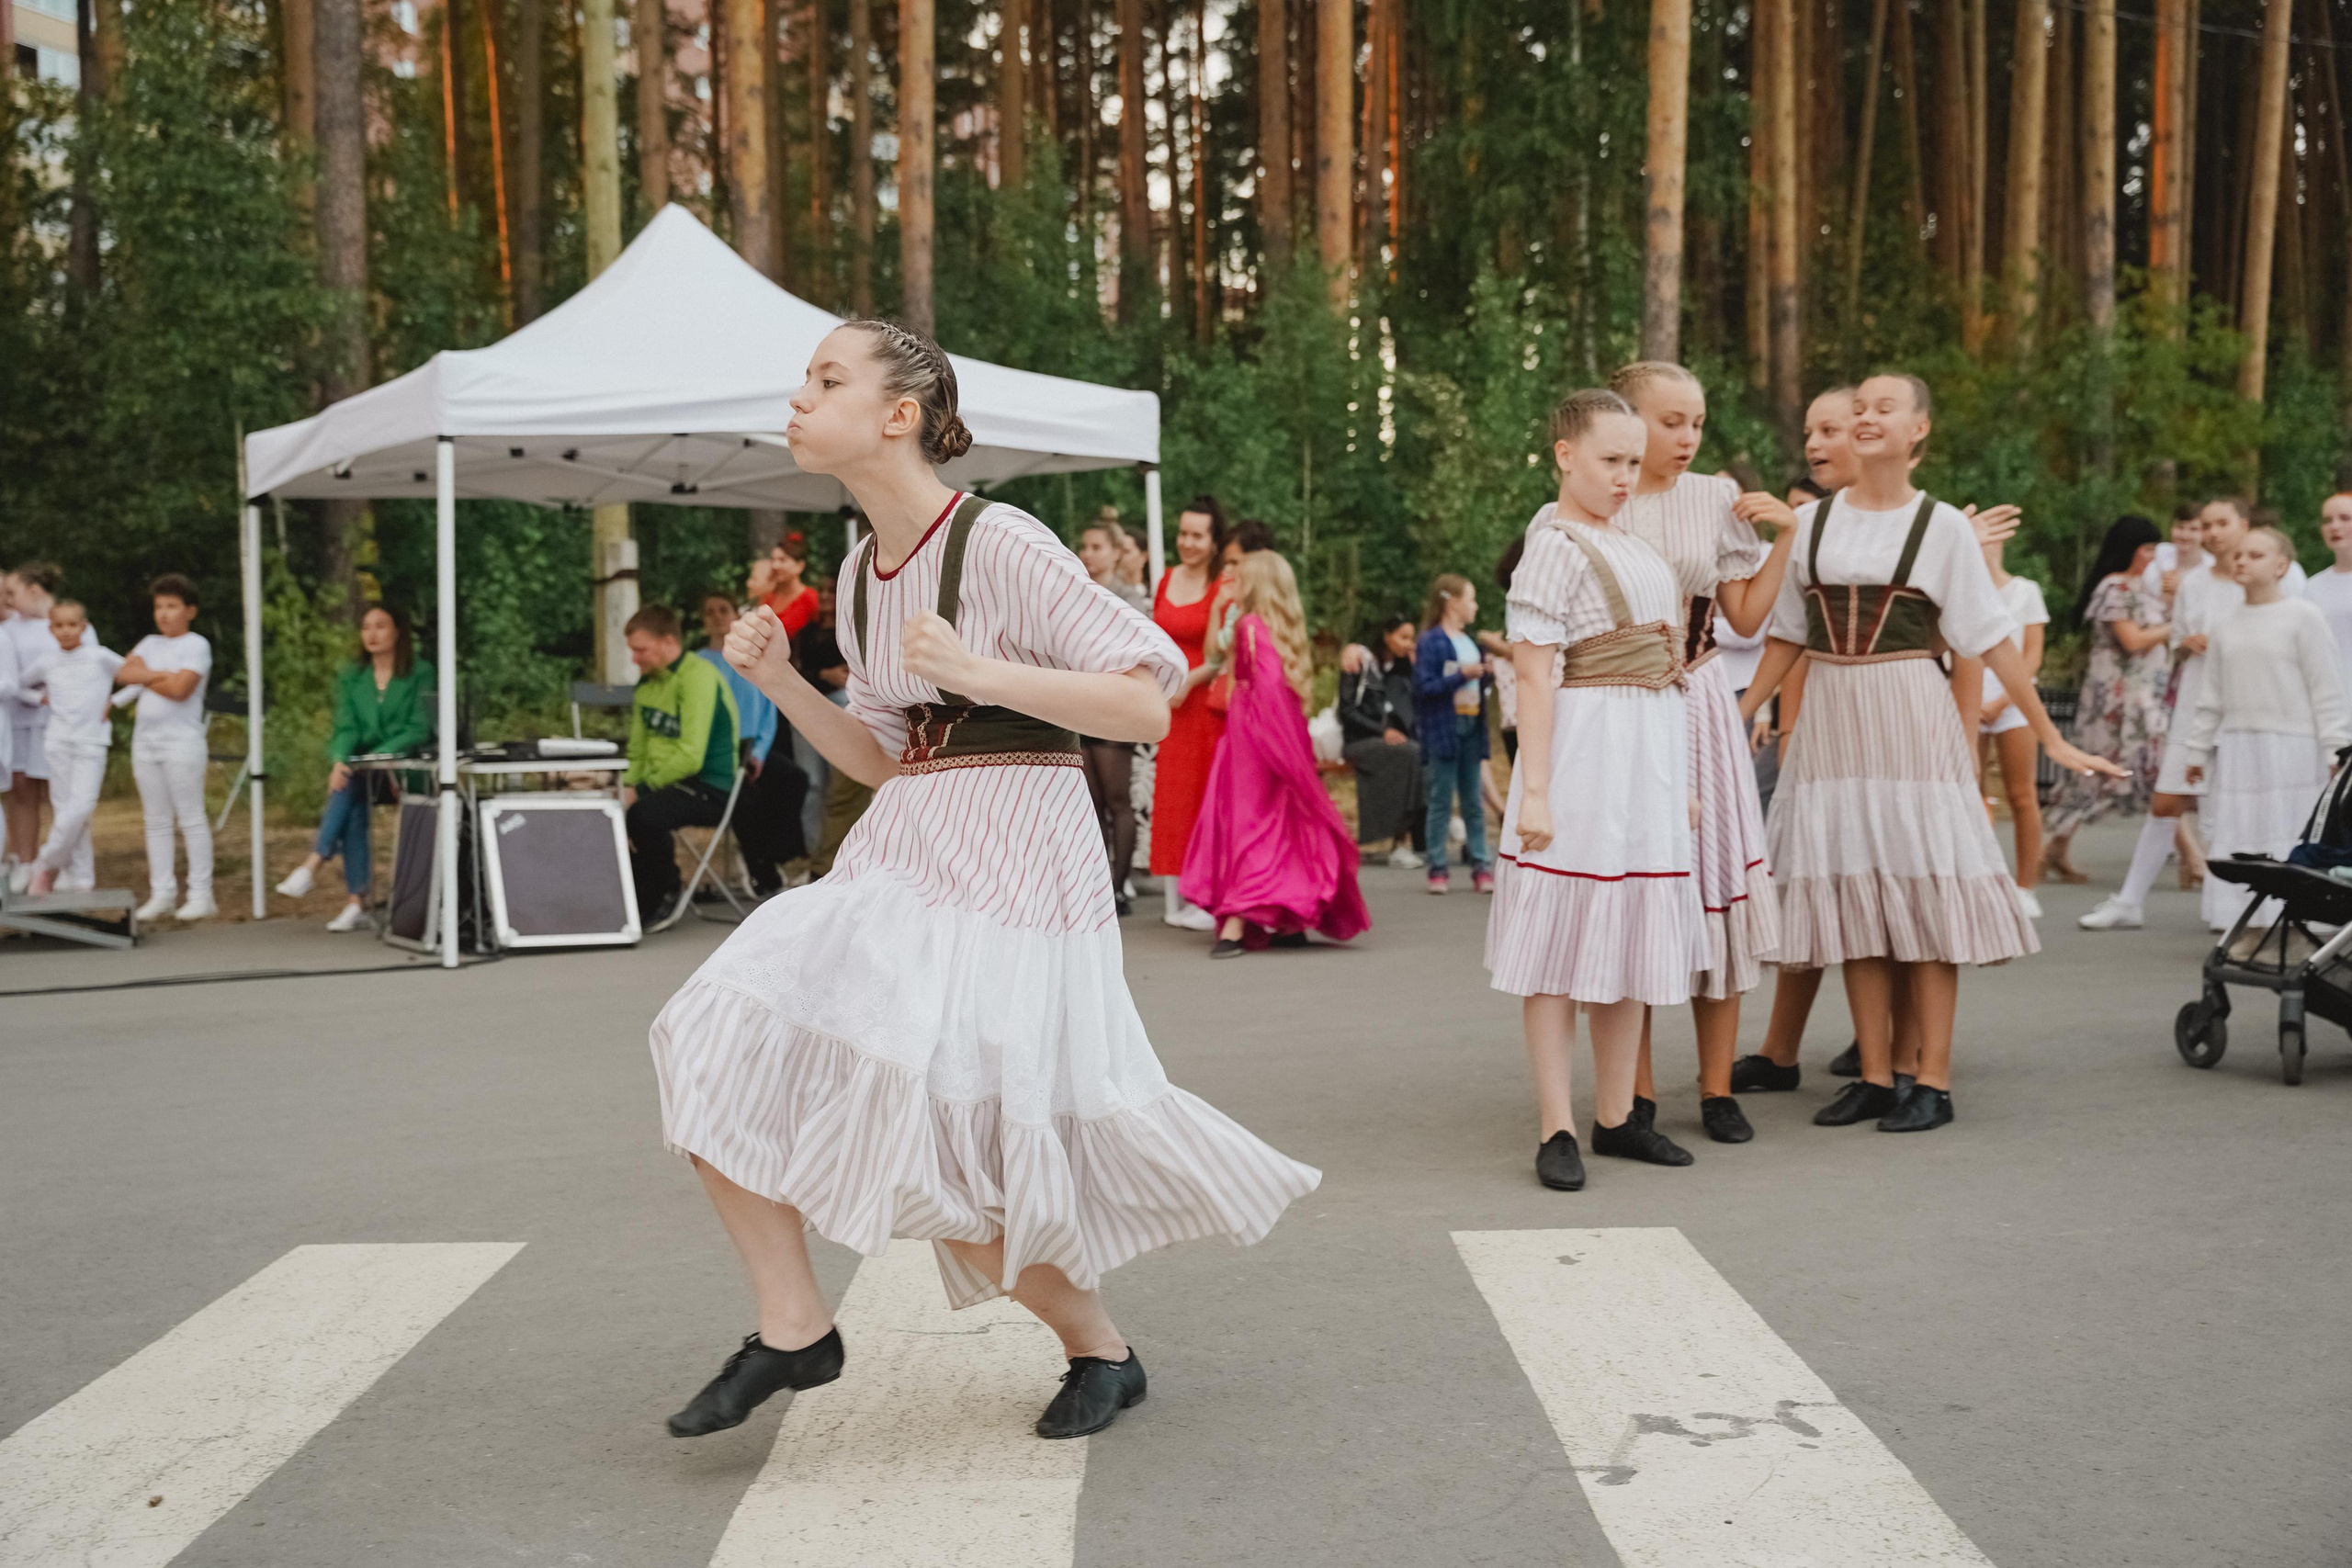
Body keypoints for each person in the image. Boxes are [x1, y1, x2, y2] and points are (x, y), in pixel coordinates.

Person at [650, 318, 1317, 1444]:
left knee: (957, 1150)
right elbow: (875, 755)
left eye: (826, 380)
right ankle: (795, 1324)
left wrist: (983, 668)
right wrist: (777, 685)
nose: (799, 399)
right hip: (913, 843)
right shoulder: (862, 575)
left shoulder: (1000, 540)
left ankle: (1100, 1349)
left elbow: (1145, 701)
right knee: (713, 1029)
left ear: (898, 415)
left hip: (1021, 856)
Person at [1736, 374, 2119, 1134]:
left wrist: (2049, 735)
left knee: (1921, 888)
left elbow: (1989, 639)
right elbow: (1786, 633)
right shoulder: (1811, 525)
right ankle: (1877, 1075)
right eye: (1862, 408)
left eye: (1886, 408)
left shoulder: (1941, 526)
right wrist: (1736, 710)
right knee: (1856, 891)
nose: (1867, 416)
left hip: (1911, 713)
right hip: (1835, 723)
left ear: (1919, 432)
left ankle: (1932, 1080)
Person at [1487, 388, 1709, 1190]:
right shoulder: (1552, 545)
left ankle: (1617, 1116)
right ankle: (1557, 1124)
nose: (1625, 476)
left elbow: (1667, 672)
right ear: (1565, 455)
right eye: (1610, 460)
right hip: (1584, 754)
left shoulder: (1636, 545)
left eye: (1631, 462)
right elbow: (1535, 676)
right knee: (1559, 950)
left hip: (1642, 761)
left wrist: (1678, 782)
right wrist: (1535, 790)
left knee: (1625, 942)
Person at [1611, 362, 1797, 1146]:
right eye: (1670, 421)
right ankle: (1638, 1091)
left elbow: (1748, 615)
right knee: (1645, 897)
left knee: (1714, 889)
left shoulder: (1715, 497)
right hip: (1622, 709)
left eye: (1696, 421)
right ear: (1626, 422)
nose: (1687, 437)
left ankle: (1718, 1088)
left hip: (1697, 703)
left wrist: (1787, 536)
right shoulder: (1596, 500)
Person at [2080, 496, 2303, 931]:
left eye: (2221, 523)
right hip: (2196, 706)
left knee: (2229, 808)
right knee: (2166, 801)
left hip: (2248, 708)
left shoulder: (2276, 577)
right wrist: (2186, 645)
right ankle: (2130, 900)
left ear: (2242, 524)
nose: (2212, 533)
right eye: (2205, 525)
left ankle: (2237, 907)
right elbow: (2176, 646)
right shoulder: (2193, 584)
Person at [1181, 550, 1370, 957]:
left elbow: (1261, 688)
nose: (1233, 580)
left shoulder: (1250, 625)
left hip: (1253, 741)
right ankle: (1286, 916)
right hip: (1278, 736)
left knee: (1250, 825)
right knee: (1280, 823)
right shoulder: (1277, 630)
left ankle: (1236, 923)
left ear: (1256, 584)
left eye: (1241, 576)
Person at [2180, 525, 2352, 930]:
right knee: (2240, 826)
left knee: (2286, 825)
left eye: (2255, 555)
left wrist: (2336, 748)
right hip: (2240, 745)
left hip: (2292, 745)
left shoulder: (2303, 617)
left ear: (2281, 566)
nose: (2242, 561)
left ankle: (2294, 918)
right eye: (2239, 554)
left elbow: (2325, 686)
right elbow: (2212, 696)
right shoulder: (2225, 623)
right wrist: (2196, 750)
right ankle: (2242, 919)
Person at [271, 605, 435, 929]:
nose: (371, 634)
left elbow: (419, 727)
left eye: (380, 626)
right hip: (364, 772)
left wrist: (378, 755)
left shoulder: (421, 671)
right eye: (366, 627)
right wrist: (339, 761)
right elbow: (345, 728)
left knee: (354, 786)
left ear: (397, 632)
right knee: (350, 791)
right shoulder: (350, 675)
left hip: (404, 766)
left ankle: (314, 865)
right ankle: (354, 901)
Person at [2043, 518, 2172, 883]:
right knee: (2099, 770)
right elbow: (2131, 640)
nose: (2150, 557)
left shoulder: (2141, 588)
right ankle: (2049, 846)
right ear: (2130, 549)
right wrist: (2177, 626)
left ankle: (2055, 847)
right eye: (2146, 549)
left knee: (2149, 771)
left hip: (2141, 696)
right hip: (2114, 698)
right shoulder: (2114, 587)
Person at [620, 604, 741, 927]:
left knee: (644, 816)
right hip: (667, 784)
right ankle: (635, 894)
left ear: (668, 642)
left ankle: (664, 890)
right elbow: (638, 750)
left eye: (641, 650)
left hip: (710, 787)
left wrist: (640, 791)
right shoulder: (647, 684)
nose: (635, 659)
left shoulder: (698, 677)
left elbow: (691, 756)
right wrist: (626, 788)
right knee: (611, 814)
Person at [1150, 495, 1230, 930]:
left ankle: (1209, 895)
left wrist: (1189, 680)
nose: (1188, 542)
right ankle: (1180, 890)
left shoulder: (1222, 585)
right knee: (1175, 794)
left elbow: (1225, 651)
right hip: (1169, 704)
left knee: (1205, 794)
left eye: (1198, 535)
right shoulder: (1165, 579)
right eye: (1183, 533)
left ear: (1215, 542)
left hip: (1205, 702)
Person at [117, 574, 217, 922]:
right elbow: (124, 675)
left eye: (172, 606)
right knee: (156, 820)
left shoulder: (196, 645)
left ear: (190, 610)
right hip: (146, 741)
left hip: (181, 742)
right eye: (159, 606)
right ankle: (163, 893)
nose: (164, 614)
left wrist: (147, 675)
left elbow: (181, 689)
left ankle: (201, 894)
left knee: (190, 817)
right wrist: (157, 675)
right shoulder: (148, 642)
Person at [700, 592, 808, 897]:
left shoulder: (751, 659)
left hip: (752, 748)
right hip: (719, 751)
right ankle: (760, 866)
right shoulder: (699, 663)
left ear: (735, 614)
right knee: (744, 796)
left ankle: (779, 855)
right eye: (710, 611)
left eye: (723, 609)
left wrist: (759, 754)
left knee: (793, 779)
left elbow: (767, 711)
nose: (716, 616)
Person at [19, 601, 122, 896]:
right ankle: (81, 878)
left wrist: (116, 700)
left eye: (72, 624)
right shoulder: (47, 661)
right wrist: (40, 699)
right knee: (65, 809)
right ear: (51, 629)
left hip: (92, 741)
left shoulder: (100, 657)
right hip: (58, 741)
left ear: (84, 627)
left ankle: (45, 862)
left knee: (82, 806)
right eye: (59, 625)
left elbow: (138, 675)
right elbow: (19, 685)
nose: (66, 631)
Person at [1976, 531, 2051, 917]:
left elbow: (2032, 656)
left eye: (1991, 540)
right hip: (1971, 699)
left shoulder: (2025, 591)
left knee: (2022, 795)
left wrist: (2003, 700)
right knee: (1970, 795)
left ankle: (2025, 886)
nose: (1985, 547)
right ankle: (1979, 881)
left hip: (2015, 702)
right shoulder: (1964, 590)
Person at [1076, 515, 1146, 907]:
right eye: (1084, 546)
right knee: (1091, 802)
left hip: (1114, 705)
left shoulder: (1129, 596)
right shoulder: (1075, 589)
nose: (1087, 554)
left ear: (1117, 553)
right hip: (1081, 705)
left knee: (1118, 800)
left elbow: (1133, 650)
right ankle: (1099, 887)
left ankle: (1120, 888)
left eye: (1096, 547)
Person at [1416, 575, 1495, 895]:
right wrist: (1460, 676)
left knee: (1473, 800)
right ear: (1453, 603)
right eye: (1471, 599)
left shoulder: (1471, 643)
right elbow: (1424, 688)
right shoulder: (1431, 642)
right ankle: (1437, 867)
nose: (1475, 606)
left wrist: (1484, 675)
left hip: (1471, 727)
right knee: (1441, 800)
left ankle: (1481, 865)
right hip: (1443, 730)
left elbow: (1478, 687)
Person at [1338, 611, 1425, 866]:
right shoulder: (1359, 663)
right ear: (1387, 636)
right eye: (1403, 637)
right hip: (1358, 741)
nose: (1409, 643)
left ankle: (1407, 839)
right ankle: (1398, 842)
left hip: (1386, 741)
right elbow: (1346, 711)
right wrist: (1380, 731)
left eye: (1412, 638)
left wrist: (1415, 667)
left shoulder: (1399, 668)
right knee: (1409, 753)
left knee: (1416, 752)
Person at [6, 561, 62, 876]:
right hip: (19, 717)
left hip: (56, 719)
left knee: (58, 790)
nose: (9, 600)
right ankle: (24, 863)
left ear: (35, 591)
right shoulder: (8, 630)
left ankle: (59, 864)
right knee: (22, 789)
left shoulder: (67, 621)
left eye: (13, 593)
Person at [790, 581, 849, 863]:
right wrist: (824, 675)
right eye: (822, 591)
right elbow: (793, 673)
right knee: (812, 784)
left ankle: (842, 854)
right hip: (808, 706)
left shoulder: (852, 629)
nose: (826, 596)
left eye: (832, 591)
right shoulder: (805, 635)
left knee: (842, 785)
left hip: (843, 705)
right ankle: (816, 856)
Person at [2301, 491, 2352, 688]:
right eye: (2327, 520)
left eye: (2345, 518)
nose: (2335, 526)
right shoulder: (2312, 587)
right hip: (2328, 695)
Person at [751, 533, 822, 638]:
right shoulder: (768, 598)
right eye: (773, 560)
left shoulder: (811, 598)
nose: (775, 566)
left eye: (782, 560)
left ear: (800, 566)